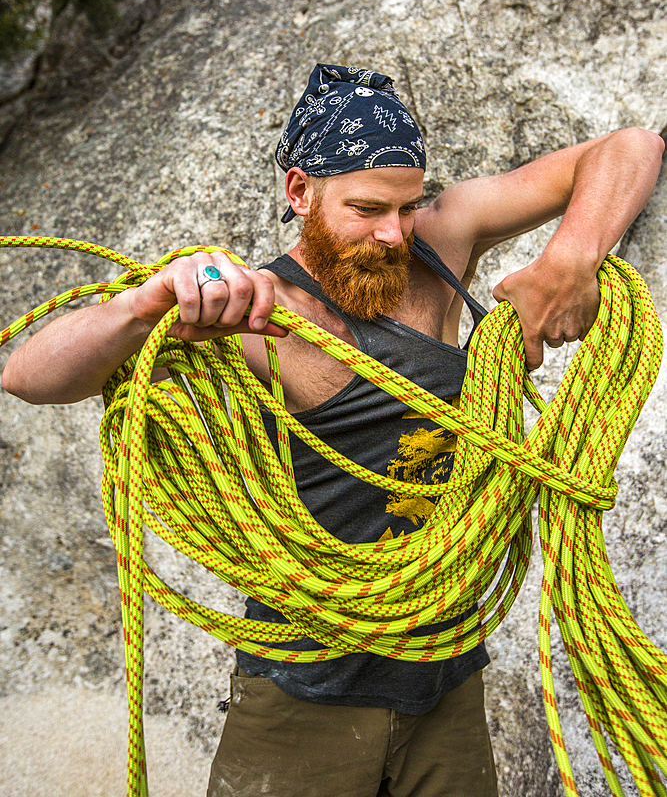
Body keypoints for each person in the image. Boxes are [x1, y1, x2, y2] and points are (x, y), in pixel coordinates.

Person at [2, 63, 663, 797]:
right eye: (366, 208)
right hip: (305, 693)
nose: (391, 233)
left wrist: (570, 260)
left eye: (407, 206)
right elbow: (29, 376)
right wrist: (143, 306)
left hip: (443, 675)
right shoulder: (258, 311)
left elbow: (630, 147)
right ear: (298, 191)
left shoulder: (439, 244)